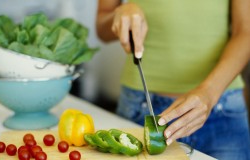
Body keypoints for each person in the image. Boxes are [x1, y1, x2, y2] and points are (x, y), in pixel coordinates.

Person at [96, 0, 250, 159]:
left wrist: (210, 92)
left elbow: (245, 31)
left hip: (221, 108)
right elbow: (101, 26)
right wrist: (120, 14)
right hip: (140, 108)